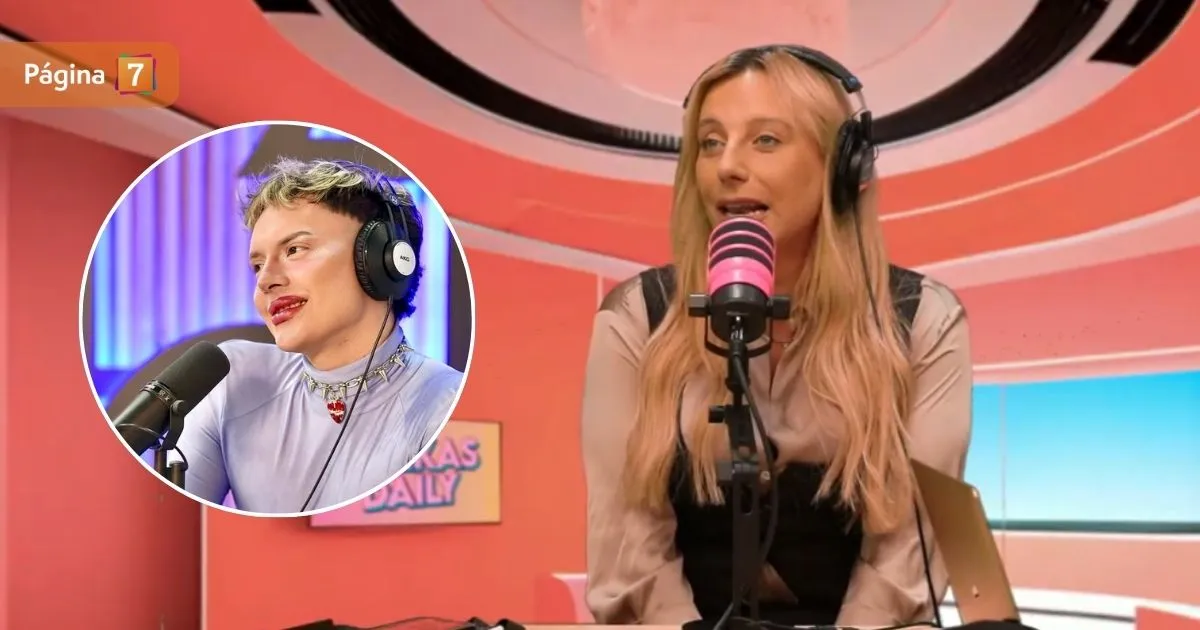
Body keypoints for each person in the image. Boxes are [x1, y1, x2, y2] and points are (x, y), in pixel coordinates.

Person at [581, 46, 973, 627]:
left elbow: (906, 558)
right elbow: (628, 548)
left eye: (765, 140)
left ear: (842, 167)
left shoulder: (924, 320)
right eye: (710, 142)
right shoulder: (637, 317)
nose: (727, 166)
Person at [171, 157, 464, 514]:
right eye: (257, 265)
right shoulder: (233, 377)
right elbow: (171, 519)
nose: (265, 281)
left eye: (294, 250)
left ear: (380, 261)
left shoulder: (446, 403)